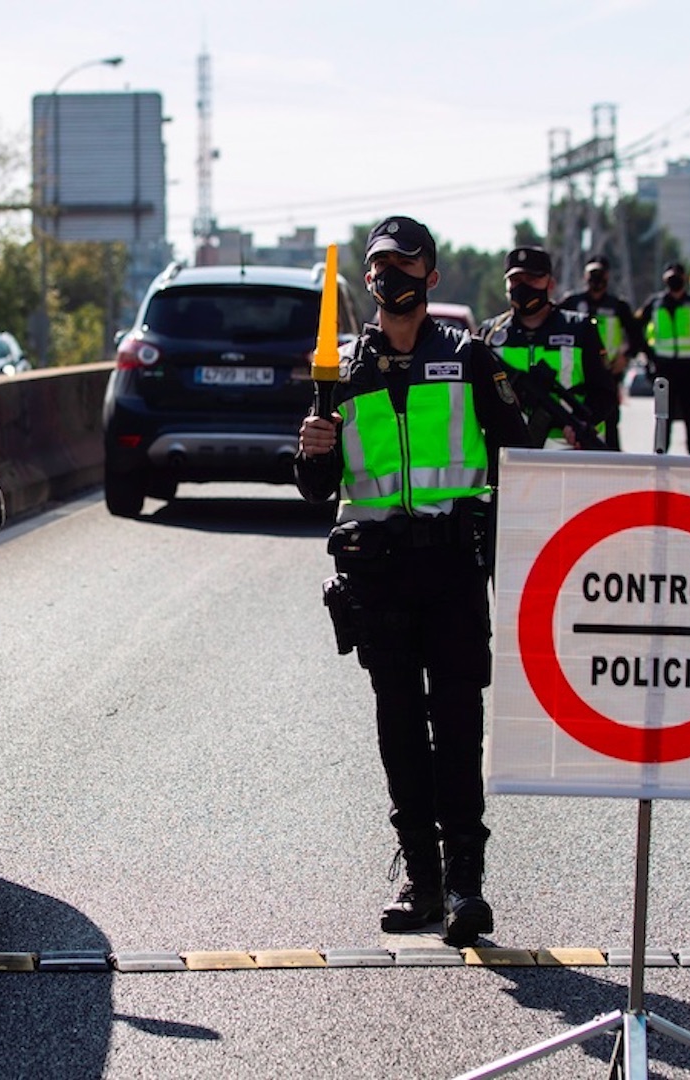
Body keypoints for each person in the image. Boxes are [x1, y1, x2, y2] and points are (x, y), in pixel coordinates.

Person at [295, 215, 534, 946]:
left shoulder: (470, 359)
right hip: (378, 575)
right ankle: (422, 881)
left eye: (405, 263)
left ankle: (467, 885)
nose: (389, 275)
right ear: (367, 278)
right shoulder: (340, 371)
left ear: (431, 277)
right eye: (378, 264)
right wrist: (310, 453)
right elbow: (315, 487)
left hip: (454, 567)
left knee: (458, 723)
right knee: (399, 726)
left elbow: (522, 450)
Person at [480, 246, 620, 451]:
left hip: (568, 456)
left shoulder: (579, 330)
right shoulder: (489, 334)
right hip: (506, 456)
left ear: (551, 284)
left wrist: (583, 421)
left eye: (532, 279)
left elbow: (605, 393)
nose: (523, 286)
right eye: (516, 280)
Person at [559, 256, 647, 450]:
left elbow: (637, 337)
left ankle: (612, 457)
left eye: (601, 276)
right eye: (592, 275)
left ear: (608, 277)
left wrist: (626, 356)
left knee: (610, 417)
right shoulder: (572, 302)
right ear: (585, 276)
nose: (596, 281)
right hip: (577, 371)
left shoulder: (618, 306)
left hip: (608, 371)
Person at [634, 262, 690, 454]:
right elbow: (636, 329)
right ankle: (660, 457)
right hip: (664, 368)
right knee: (663, 418)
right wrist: (649, 354)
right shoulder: (655, 304)